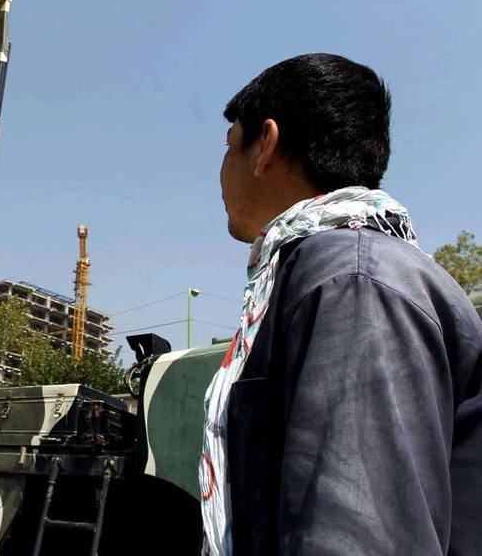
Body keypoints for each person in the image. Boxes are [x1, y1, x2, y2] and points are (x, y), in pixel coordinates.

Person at [199, 53, 482, 555]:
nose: (221, 171)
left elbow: (358, 536)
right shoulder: (349, 268)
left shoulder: (352, 280)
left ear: (266, 144)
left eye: (228, 145)